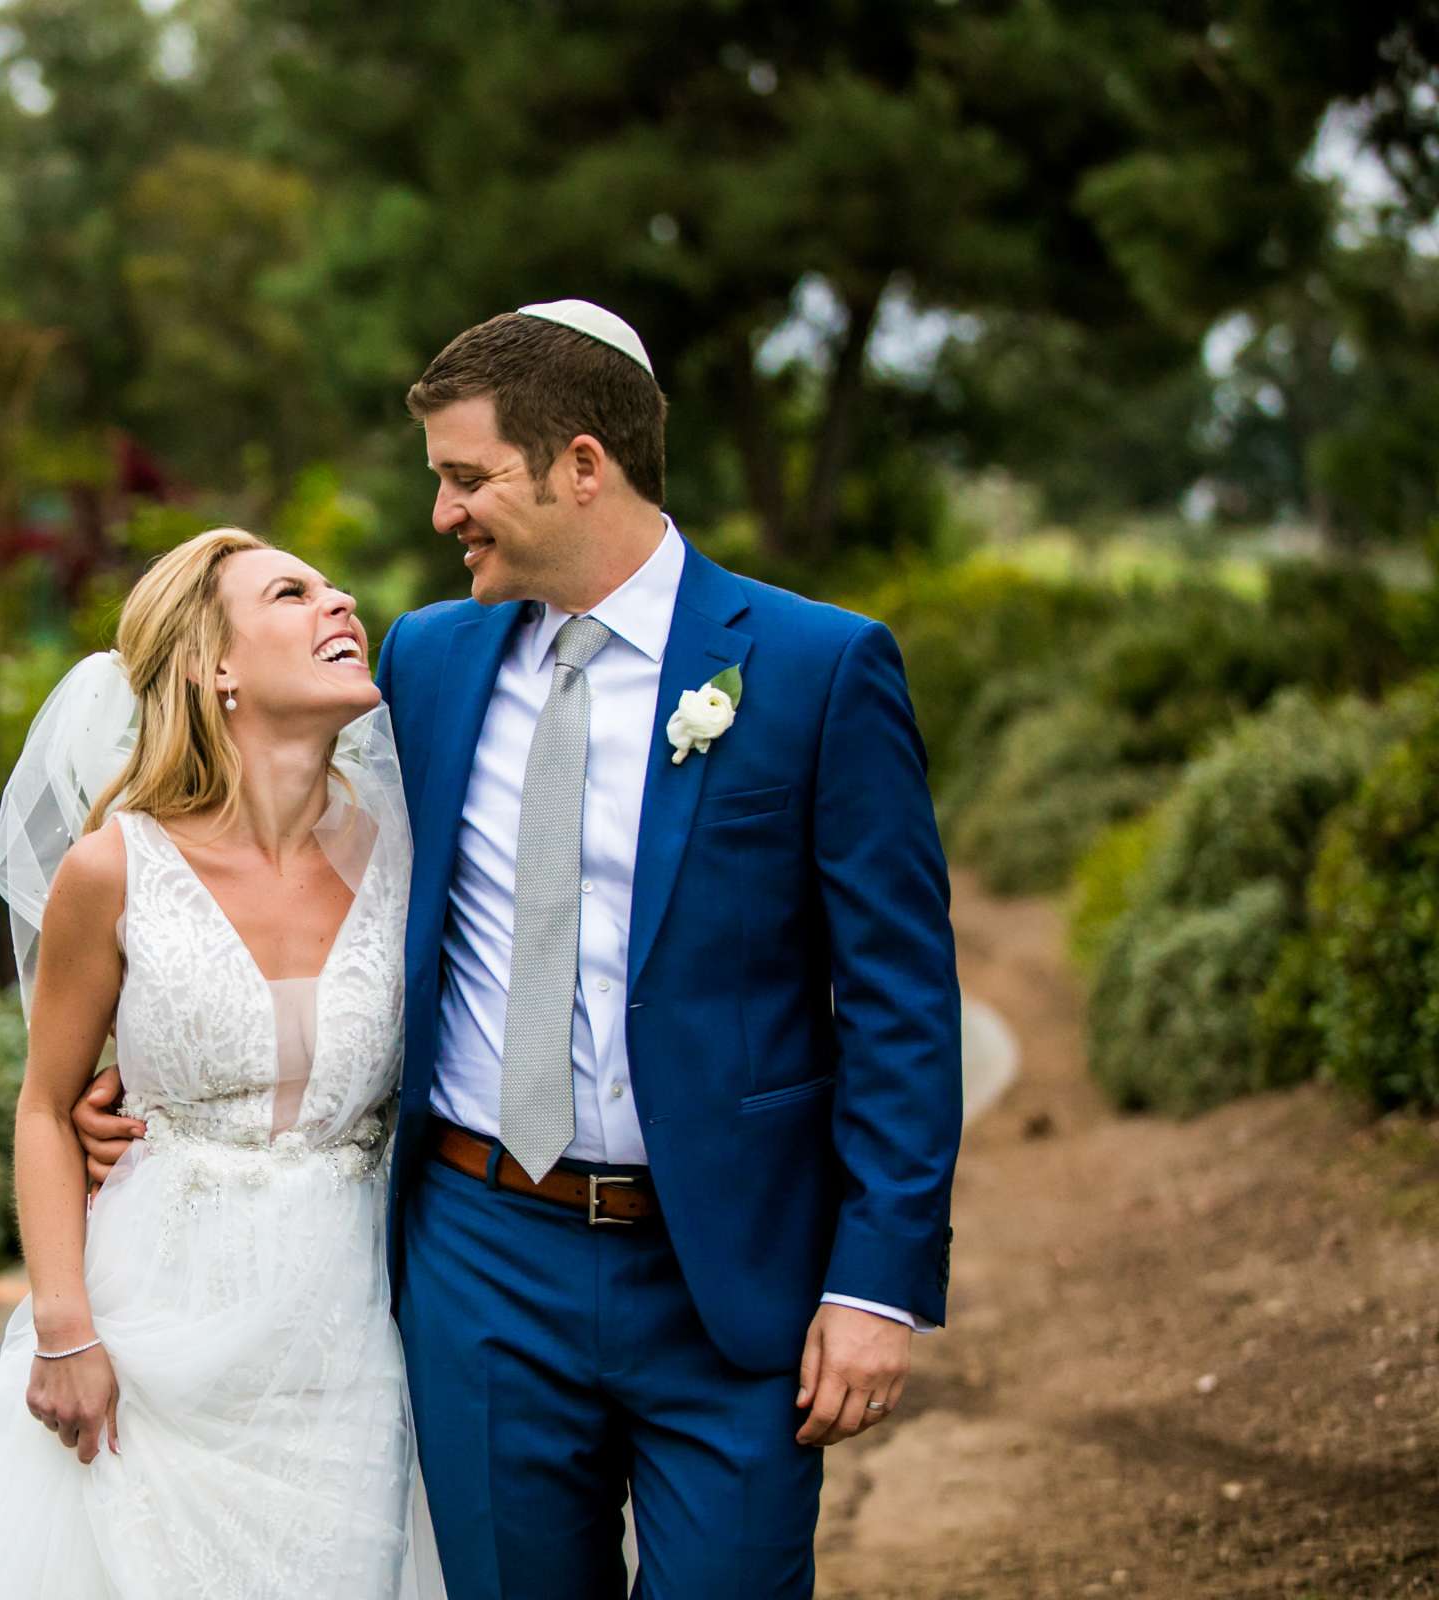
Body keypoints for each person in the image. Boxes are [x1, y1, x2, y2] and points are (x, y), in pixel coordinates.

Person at [76, 301, 964, 1597]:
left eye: (468, 477)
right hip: (481, 1262)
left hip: (730, 1267)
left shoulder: (818, 669)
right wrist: (149, 1071)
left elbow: (901, 1001)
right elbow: (274, 863)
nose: (444, 516)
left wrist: (876, 1284)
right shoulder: (426, 663)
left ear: (583, 466)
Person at [0, 527, 441, 1598]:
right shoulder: (114, 869)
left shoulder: (413, 853)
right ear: (215, 666)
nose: (340, 603)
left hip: (347, 1336)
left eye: (336, 587)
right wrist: (64, 1330)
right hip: (148, 1328)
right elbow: (47, 1108)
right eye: (293, 592)